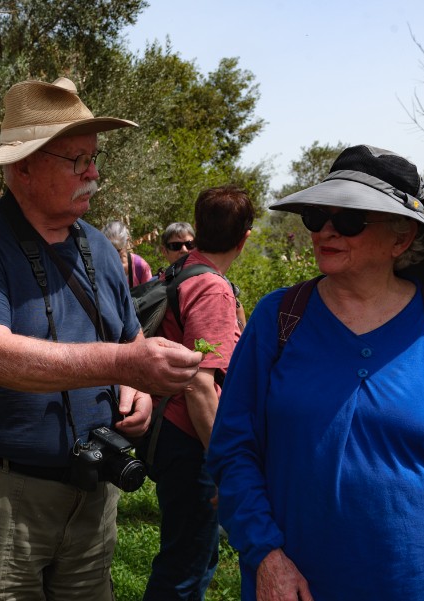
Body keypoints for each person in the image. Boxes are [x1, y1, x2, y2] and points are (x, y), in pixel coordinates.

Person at [0, 76, 203, 601]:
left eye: (94, 158)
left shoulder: (98, 247)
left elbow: (128, 334)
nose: (93, 174)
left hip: (91, 494)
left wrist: (135, 391)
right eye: (76, 160)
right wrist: (124, 365)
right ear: (21, 167)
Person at [206, 145, 424, 601]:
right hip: (293, 586)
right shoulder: (279, 318)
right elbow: (233, 450)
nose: (327, 230)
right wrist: (265, 556)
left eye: (350, 219)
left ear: (402, 237)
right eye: (317, 216)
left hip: (419, 585)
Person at [143, 186, 253, 601]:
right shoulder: (212, 289)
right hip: (192, 441)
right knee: (186, 566)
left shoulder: (181, 269)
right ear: (245, 236)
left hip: (170, 430)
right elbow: (200, 383)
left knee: (192, 556)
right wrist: (223, 463)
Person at [102, 220, 153, 286]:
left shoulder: (140, 266)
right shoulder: (99, 264)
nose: (114, 254)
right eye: (110, 250)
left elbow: (149, 293)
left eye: (118, 250)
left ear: (127, 242)